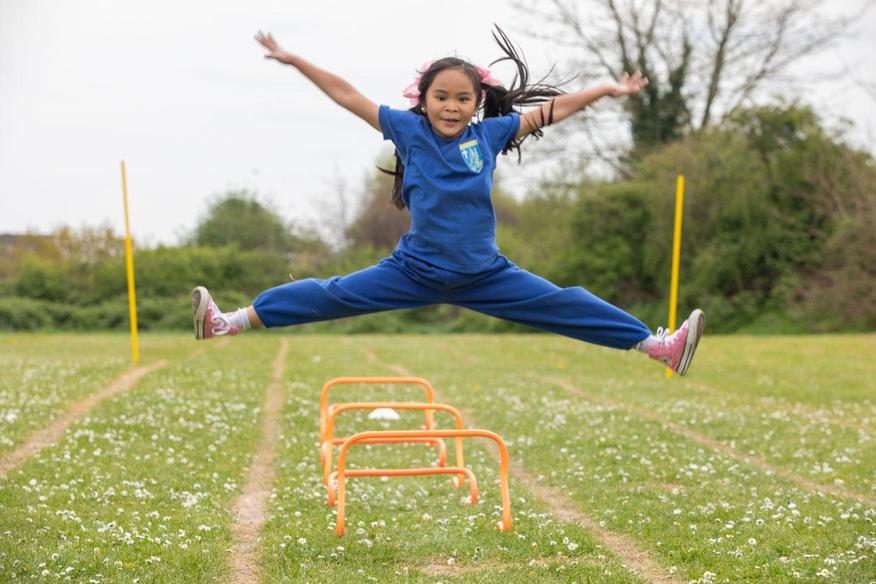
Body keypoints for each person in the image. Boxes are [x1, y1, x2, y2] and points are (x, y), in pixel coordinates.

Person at [192, 27, 705, 376]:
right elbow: (348, 96)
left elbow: (552, 111)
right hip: (413, 270)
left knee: (563, 302)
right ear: (425, 99)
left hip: (485, 274)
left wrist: (603, 90)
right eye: (442, 97)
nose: (452, 106)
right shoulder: (407, 130)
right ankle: (227, 322)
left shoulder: (490, 135)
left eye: (463, 99)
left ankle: (657, 347)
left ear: (477, 103)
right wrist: (296, 60)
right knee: (331, 294)